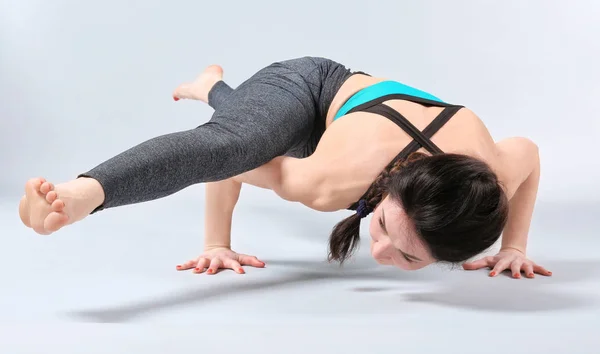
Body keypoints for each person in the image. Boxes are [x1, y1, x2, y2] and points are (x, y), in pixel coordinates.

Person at [18, 56, 551, 279]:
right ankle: (85, 192)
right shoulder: (324, 182)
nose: (380, 249)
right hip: (311, 86)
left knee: (247, 128)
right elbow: (223, 162)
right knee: (237, 139)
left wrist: (514, 248)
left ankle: (215, 88)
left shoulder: (492, 179)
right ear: (387, 191)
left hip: (356, 125)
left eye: (411, 257)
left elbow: (527, 150)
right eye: (386, 227)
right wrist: (215, 243)